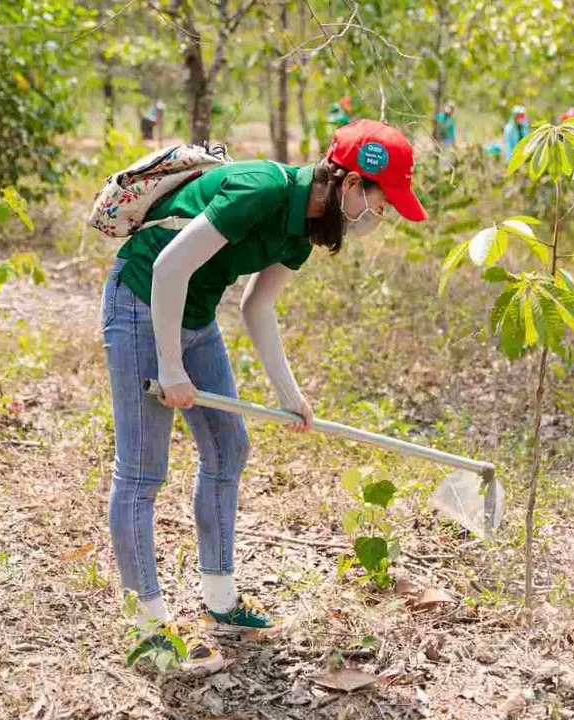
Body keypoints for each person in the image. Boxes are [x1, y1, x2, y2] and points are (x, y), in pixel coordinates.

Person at [100, 119, 428, 673]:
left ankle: (221, 602)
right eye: (380, 199)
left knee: (229, 449)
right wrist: (172, 367)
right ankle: (148, 628)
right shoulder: (263, 190)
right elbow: (168, 266)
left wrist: (289, 393)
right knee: (142, 471)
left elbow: (258, 305)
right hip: (141, 304)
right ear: (349, 184)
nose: (382, 214)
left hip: (196, 316)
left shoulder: (306, 225)